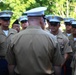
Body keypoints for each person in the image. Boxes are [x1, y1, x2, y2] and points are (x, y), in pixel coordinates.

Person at [6, 7, 64, 75]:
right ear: (41, 20)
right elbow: (57, 65)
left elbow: (11, 64)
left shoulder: (14, 38)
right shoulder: (52, 38)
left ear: (28, 20)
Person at [0, 10, 17, 75]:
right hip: (1, 60)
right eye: (5, 20)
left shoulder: (14, 32)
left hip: (13, 60)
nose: (7, 22)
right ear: (0, 21)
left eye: (8, 20)